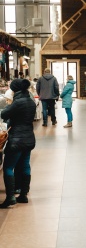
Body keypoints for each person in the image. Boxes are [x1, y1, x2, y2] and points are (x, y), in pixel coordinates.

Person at [0, 79, 36, 208]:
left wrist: (9, 105)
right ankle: (23, 195)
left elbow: (4, 113)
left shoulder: (18, 102)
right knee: (25, 165)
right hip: (29, 138)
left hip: (16, 139)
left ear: (14, 90)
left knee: (8, 167)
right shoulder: (31, 101)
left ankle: (10, 197)